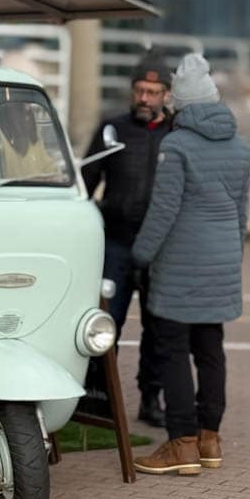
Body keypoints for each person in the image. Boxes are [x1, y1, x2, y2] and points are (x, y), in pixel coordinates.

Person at [130, 53, 250, 476]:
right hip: (221, 261)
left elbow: (163, 211)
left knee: (173, 349)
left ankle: (181, 445)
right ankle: (210, 440)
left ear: (180, 102)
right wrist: (232, 254)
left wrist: (140, 255)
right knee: (211, 349)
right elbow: (241, 212)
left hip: (180, 264)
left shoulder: (176, 145)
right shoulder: (239, 146)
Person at [81, 51, 173, 427]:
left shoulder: (177, 134)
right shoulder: (111, 129)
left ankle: (151, 399)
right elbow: (85, 184)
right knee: (106, 322)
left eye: (153, 91)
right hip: (115, 245)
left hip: (161, 250)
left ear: (166, 94)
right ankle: (97, 399)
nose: (145, 98)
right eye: (140, 90)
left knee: (159, 328)